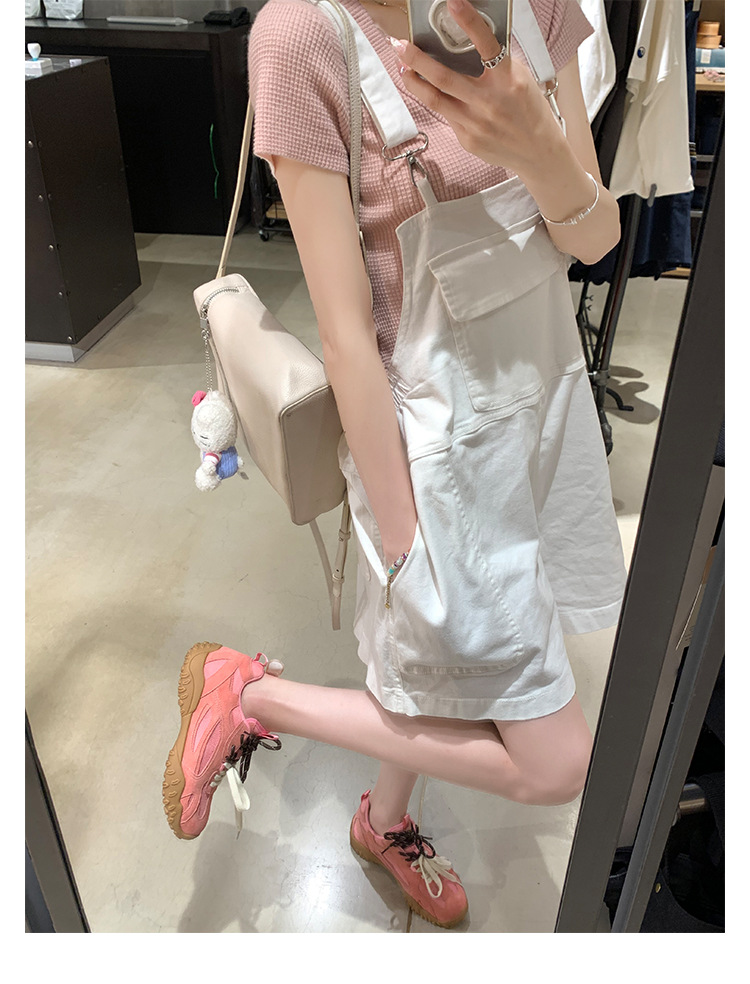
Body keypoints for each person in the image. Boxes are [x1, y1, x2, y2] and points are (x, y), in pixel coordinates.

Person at [162, 0, 627, 930]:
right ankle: (249, 693)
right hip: (436, 453)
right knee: (556, 762)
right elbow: (345, 337)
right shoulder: (303, 36)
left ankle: (382, 821)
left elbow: (594, 240)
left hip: (546, 411)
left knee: (428, 667)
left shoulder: (540, 7)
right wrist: (406, 541)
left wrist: (538, 147)